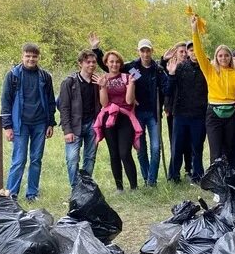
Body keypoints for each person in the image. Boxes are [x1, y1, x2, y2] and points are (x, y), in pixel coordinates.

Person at [90, 34, 169, 186]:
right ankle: (146, 177)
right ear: (138, 51)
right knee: (141, 149)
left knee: (155, 147)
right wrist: (96, 50)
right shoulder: (132, 67)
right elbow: (110, 65)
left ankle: (151, 180)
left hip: (153, 114)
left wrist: (165, 63)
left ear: (151, 51)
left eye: (148, 51)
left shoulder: (157, 69)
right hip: (137, 113)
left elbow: (166, 87)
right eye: (142, 51)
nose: (145, 54)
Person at [190, 14, 235, 165]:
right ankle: (217, 183)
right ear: (216, 57)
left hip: (231, 114)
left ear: (230, 58)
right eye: (220, 56)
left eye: (226, 56)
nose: (223, 58)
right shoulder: (209, 70)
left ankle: (229, 179)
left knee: (229, 149)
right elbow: (198, 52)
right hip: (214, 114)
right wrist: (194, 30)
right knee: (216, 151)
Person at [0, 43, 56, 202]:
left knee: (36, 159)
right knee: (19, 159)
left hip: (40, 123)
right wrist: (7, 126)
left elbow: (51, 102)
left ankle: (32, 193)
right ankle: (11, 194)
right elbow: (6, 102)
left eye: (34, 56)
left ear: (38, 57)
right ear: (22, 56)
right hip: (20, 123)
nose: (31, 59)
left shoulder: (45, 77)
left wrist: (50, 123)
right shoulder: (13, 76)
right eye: (28, 56)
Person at [94, 50, 142, 192]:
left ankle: (134, 187)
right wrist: (102, 87)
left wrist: (132, 84)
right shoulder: (103, 78)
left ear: (120, 63)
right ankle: (119, 187)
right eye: (111, 61)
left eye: (117, 61)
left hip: (125, 118)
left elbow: (129, 100)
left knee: (124, 153)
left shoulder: (128, 77)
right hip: (109, 119)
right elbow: (104, 103)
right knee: (113, 153)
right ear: (106, 63)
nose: (114, 64)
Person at [166, 40, 208, 183]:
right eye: (191, 50)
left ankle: (197, 175)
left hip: (199, 114)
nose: (194, 52)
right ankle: (173, 176)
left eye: (197, 49)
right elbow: (168, 91)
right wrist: (171, 74)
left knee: (197, 147)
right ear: (188, 52)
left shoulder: (207, 68)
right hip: (180, 114)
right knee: (177, 146)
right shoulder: (180, 67)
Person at [58, 49, 101, 188]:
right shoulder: (69, 82)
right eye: (88, 62)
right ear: (80, 64)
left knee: (90, 158)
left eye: (94, 62)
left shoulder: (97, 82)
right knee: (72, 159)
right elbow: (64, 108)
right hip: (75, 126)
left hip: (92, 125)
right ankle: (75, 188)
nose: (91, 65)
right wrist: (67, 130)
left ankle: (86, 187)